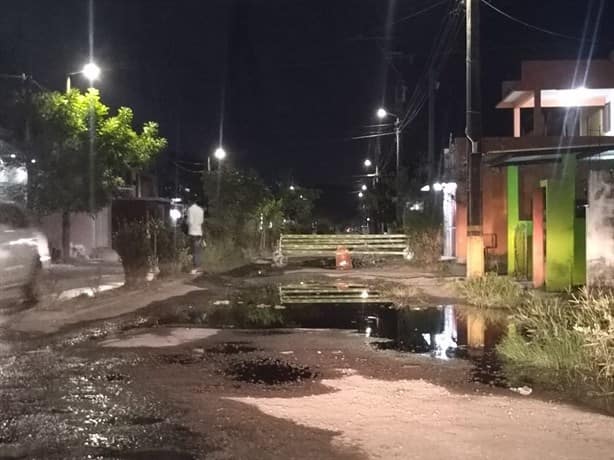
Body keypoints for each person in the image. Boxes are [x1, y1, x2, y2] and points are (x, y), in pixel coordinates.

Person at [186, 198, 205, 274]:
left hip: (193, 232)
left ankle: (195, 267)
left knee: (194, 250)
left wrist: (187, 222)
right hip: (199, 232)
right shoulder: (200, 210)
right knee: (198, 250)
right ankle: (198, 267)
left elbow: (190, 221)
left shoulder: (190, 209)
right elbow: (201, 221)